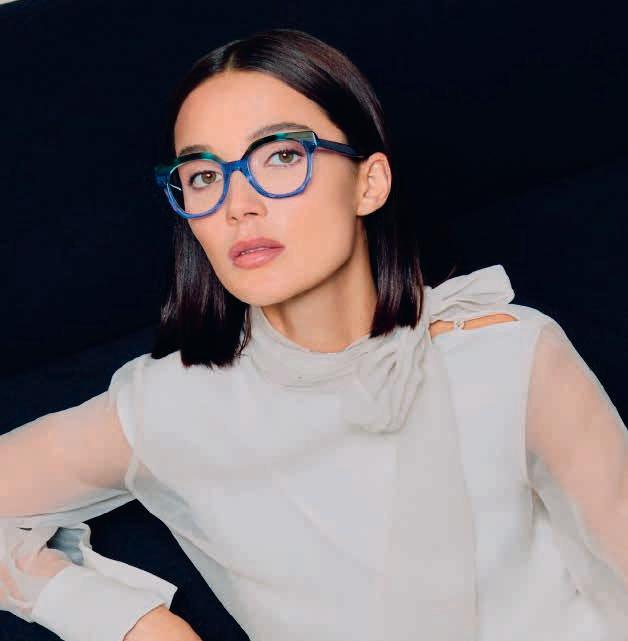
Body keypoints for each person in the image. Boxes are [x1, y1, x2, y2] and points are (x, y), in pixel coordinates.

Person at [1, 27, 627, 641]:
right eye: (204, 176)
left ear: (368, 183)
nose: (238, 205)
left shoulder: (508, 355)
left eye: (280, 157)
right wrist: (134, 624)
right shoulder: (171, 405)